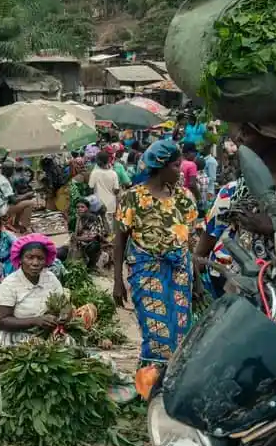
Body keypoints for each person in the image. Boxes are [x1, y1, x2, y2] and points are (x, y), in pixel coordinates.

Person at [113, 140, 198, 364]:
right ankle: (151, 383)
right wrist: (117, 281)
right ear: (160, 166)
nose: (179, 171)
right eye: (175, 166)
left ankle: (171, 383)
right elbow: (119, 240)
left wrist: (197, 279)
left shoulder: (184, 198)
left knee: (181, 331)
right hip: (146, 271)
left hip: (180, 270)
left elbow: (190, 242)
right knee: (157, 332)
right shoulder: (133, 198)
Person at [194, 124, 276, 298]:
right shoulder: (233, 189)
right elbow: (202, 250)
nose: (239, 137)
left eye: (247, 131)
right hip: (225, 282)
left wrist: (274, 228)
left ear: (274, 132)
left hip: (274, 290)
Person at [0, 234, 66, 348]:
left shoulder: (50, 278)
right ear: (20, 259)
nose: (35, 263)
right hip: (17, 336)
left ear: (46, 261)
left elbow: (64, 304)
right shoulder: (10, 284)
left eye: (40, 258)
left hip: (47, 332)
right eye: (29, 257)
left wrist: (64, 314)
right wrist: (35, 321)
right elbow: (2, 322)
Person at [0, 160, 35, 232]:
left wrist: (23, 196)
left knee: (22, 202)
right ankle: (25, 227)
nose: (14, 172)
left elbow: (12, 197)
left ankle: (16, 224)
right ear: (9, 171)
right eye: (13, 170)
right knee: (30, 203)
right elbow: (14, 200)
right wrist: (26, 195)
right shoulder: (4, 181)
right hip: (1, 209)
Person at [72, 199, 107, 270]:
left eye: (82, 207)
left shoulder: (92, 218)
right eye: (78, 207)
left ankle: (92, 264)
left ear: (87, 208)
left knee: (92, 247)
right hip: (81, 243)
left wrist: (78, 238)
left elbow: (93, 237)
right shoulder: (78, 219)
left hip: (93, 243)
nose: (79, 209)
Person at [88, 151, 120, 221]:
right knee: (110, 227)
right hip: (111, 205)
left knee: (101, 227)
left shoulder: (94, 173)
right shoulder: (113, 173)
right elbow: (117, 190)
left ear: (98, 161)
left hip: (98, 205)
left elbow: (90, 189)